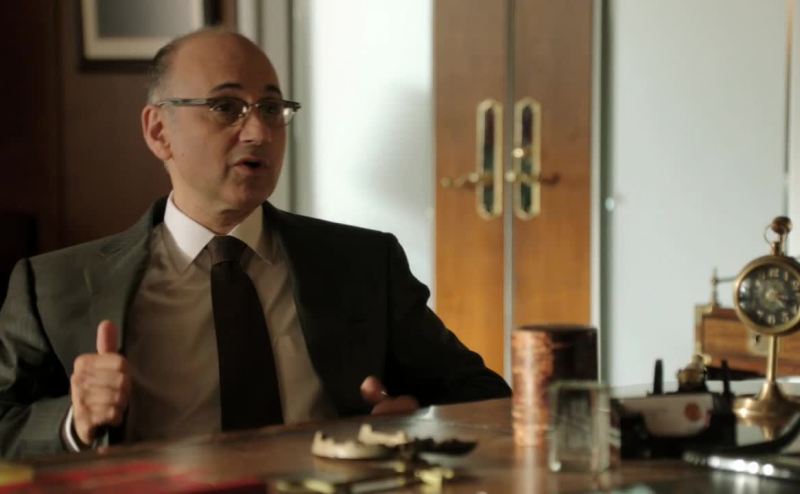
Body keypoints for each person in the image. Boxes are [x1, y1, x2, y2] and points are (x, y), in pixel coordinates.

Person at [0, 29, 510, 459]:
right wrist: (74, 423)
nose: (259, 132)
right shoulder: (55, 285)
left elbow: (485, 398)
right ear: (159, 131)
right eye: (226, 107)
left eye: (271, 107)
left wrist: (416, 420)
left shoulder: (363, 265)